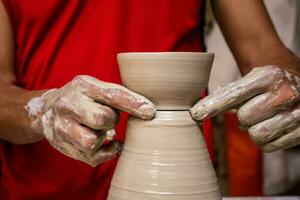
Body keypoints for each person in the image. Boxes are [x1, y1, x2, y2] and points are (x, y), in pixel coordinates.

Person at [0, 0, 299, 199]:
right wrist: (44, 109)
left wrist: (292, 85)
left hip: (182, 181)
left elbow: (264, 50)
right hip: (40, 187)